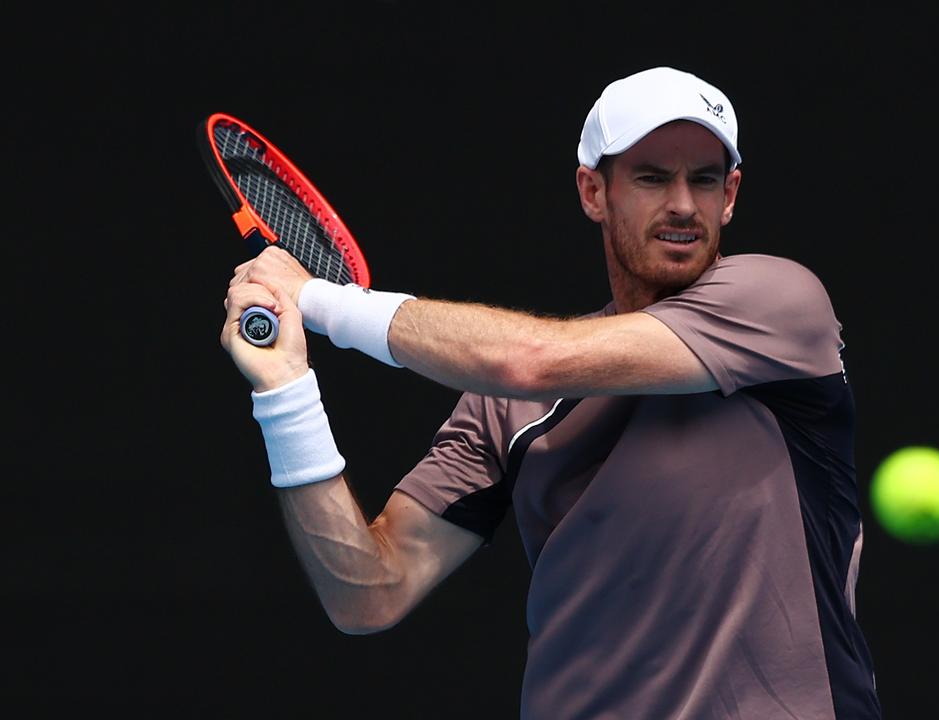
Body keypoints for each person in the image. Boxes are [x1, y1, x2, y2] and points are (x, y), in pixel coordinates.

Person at [222, 65, 882, 719]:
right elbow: (367, 594)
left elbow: (531, 360)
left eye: (704, 179)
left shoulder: (780, 303)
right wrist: (286, 394)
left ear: (730, 194)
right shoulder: (501, 409)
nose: (683, 203)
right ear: (593, 192)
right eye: (652, 176)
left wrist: (319, 300)